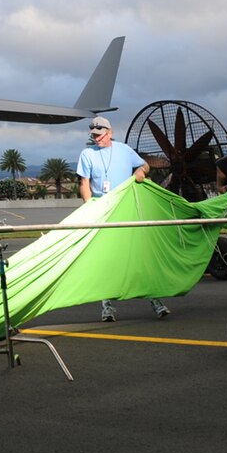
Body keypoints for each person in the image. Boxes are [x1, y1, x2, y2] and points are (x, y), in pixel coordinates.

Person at [77, 115, 171, 321]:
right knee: (106, 261)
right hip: (103, 212)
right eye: (94, 135)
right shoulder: (87, 154)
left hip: (127, 210)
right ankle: (107, 306)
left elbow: (145, 165)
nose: (97, 138)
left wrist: (140, 171)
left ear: (110, 133)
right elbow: (84, 183)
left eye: (100, 135)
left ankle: (156, 301)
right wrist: (90, 208)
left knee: (140, 257)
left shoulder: (124, 150)